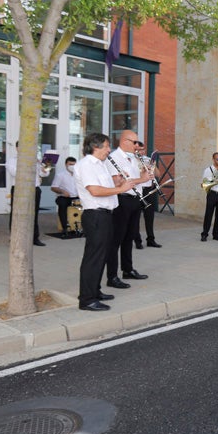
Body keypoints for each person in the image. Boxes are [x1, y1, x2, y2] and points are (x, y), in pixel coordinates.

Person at [75, 132, 148, 312]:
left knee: (102, 255)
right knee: (93, 258)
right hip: (95, 215)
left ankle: (95, 291)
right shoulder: (86, 165)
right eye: (106, 146)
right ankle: (87, 299)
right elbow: (94, 190)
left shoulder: (100, 165)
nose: (109, 150)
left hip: (106, 214)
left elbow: (107, 187)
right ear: (95, 146)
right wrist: (121, 189)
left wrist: (118, 184)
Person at [105, 130, 151, 289]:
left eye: (138, 143)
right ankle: (112, 276)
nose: (137, 146)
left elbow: (140, 181)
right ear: (125, 141)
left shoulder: (133, 158)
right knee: (116, 239)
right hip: (121, 200)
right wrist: (141, 178)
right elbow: (118, 182)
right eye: (135, 143)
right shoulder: (113, 158)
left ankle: (127, 269)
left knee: (129, 237)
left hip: (134, 199)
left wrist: (146, 173)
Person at [6, 140, 51, 246]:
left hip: (34, 189)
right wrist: (29, 162)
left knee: (34, 214)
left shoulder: (36, 161)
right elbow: (15, 172)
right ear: (17, 148)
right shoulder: (12, 160)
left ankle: (35, 238)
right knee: (16, 214)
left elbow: (45, 174)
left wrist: (45, 165)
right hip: (19, 189)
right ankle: (14, 238)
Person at [134, 144, 161, 249]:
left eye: (143, 150)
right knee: (136, 218)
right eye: (139, 150)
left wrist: (153, 166)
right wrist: (144, 170)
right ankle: (137, 241)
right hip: (138, 191)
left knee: (149, 217)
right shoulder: (132, 161)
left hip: (149, 191)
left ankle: (151, 239)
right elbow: (135, 177)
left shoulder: (148, 159)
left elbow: (158, 174)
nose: (142, 152)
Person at [201, 152, 218, 242]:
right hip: (212, 194)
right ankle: (204, 234)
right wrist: (215, 180)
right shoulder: (208, 170)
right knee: (208, 215)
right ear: (213, 159)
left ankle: (216, 234)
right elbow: (204, 183)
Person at [50, 157, 79, 236]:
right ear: (66, 164)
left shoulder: (79, 175)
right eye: (70, 164)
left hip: (76, 197)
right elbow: (53, 187)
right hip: (64, 197)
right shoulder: (60, 175)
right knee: (62, 205)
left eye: (74, 164)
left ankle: (82, 227)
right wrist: (62, 191)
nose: (72, 166)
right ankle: (64, 227)